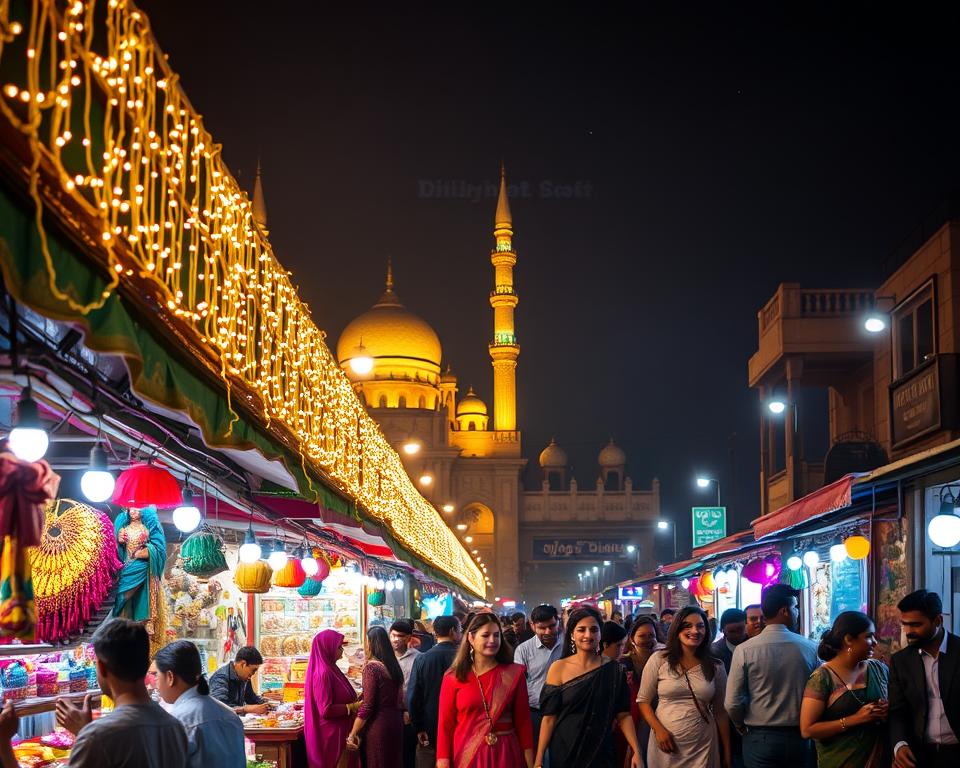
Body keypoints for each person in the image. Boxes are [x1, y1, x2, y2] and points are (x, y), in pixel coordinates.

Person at [0, 618, 187, 768]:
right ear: (146, 665)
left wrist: (3, 742)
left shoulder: (99, 736)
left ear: (102, 668)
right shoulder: (175, 727)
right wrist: (85, 732)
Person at [724, 583, 819, 768]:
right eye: (795, 608)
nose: (797, 612)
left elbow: (732, 702)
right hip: (799, 737)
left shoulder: (744, 650)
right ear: (785, 610)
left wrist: (741, 726)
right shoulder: (810, 648)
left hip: (760, 738)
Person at [536, 606, 642, 768]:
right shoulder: (558, 669)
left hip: (601, 751)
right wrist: (539, 760)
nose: (588, 635)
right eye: (581, 630)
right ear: (572, 634)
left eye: (594, 630)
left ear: (600, 634)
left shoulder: (614, 670)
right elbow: (549, 718)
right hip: (565, 752)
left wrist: (636, 750)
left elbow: (623, 715)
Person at [436, 612, 534, 767]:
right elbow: (445, 725)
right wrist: (443, 761)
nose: (492, 640)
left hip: (506, 754)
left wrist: (531, 763)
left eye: (496, 635)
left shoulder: (514, 674)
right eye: (486, 635)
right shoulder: (453, 677)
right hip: (466, 755)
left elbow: (523, 722)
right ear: (471, 638)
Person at [638, 605, 731, 768]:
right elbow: (643, 701)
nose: (695, 631)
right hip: (666, 745)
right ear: (677, 629)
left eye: (700, 626)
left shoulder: (715, 666)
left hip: (703, 744)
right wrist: (658, 730)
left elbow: (720, 712)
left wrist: (728, 753)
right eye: (688, 626)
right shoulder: (659, 659)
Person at [799, 611, 888, 768]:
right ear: (848, 639)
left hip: (879, 757)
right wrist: (856, 719)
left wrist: (887, 709)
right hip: (838, 760)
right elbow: (807, 730)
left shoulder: (879, 669)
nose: (875, 642)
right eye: (869, 636)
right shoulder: (823, 678)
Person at [888, 589, 960, 768]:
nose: (908, 631)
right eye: (904, 624)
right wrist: (900, 744)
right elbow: (897, 711)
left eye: (916, 625)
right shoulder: (900, 661)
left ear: (938, 620)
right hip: (919, 756)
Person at [154, 640, 246, 768]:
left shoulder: (178, 722)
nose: (156, 683)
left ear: (170, 677)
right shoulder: (230, 716)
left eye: (156, 675)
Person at [112, 505, 168, 655]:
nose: (134, 511)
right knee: (122, 597)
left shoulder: (146, 528)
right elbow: (118, 549)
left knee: (142, 603)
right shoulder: (124, 528)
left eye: (137, 509)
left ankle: (143, 641)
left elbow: (157, 548)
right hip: (127, 567)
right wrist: (119, 539)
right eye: (131, 509)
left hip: (143, 568)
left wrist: (147, 551)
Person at [407, 615, 462, 768]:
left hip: (430, 726)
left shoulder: (423, 659)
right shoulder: (464, 658)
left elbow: (412, 697)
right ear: (452, 631)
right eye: (460, 630)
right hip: (460, 724)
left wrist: (418, 727)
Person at [346, 626, 404, 768]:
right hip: (395, 722)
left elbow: (368, 705)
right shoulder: (392, 665)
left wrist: (352, 733)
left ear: (371, 643)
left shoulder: (372, 668)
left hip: (378, 726)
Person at [513, 604, 563, 768]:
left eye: (552, 626)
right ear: (533, 626)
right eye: (542, 628)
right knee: (536, 759)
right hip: (534, 713)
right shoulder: (523, 650)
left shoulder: (569, 648)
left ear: (558, 622)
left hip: (563, 713)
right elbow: (518, 685)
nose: (548, 632)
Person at [304, 629, 360, 768]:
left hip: (340, 731)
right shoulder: (323, 674)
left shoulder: (331, 668)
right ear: (327, 647)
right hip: (332, 736)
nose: (341, 653)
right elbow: (325, 709)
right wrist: (352, 707)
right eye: (339, 647)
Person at [621, 615, 664, 768]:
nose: (648, 640)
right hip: (634, 720)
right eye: (642, 636)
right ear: (632, 639)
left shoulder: (664, 660)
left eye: (651, 635)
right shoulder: (624, 664)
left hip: (661, 718)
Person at [390, 619, 421, 768]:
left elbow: (421, 689)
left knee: (407, 755)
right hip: (389, 715)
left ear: (409, 638)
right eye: (393, 635)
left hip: (409, 716)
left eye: (400, 636)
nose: (396, 639)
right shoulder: (385, 657)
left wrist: (411, 712)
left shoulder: (419, 658)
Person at [209, 646, 269, 714]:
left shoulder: (244, 677)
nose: (253, 674)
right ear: (243, 664)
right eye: (253, 670)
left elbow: (252, 698)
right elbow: (220, 708)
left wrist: (267, 704)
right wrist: (245, 709)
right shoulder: (220, 678)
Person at [711, 609, 748, 673]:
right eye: (732, 632)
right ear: (723, 631)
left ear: (746, 626)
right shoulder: (714, 652)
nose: (737, 635)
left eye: (740, 630)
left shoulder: (755, 646)